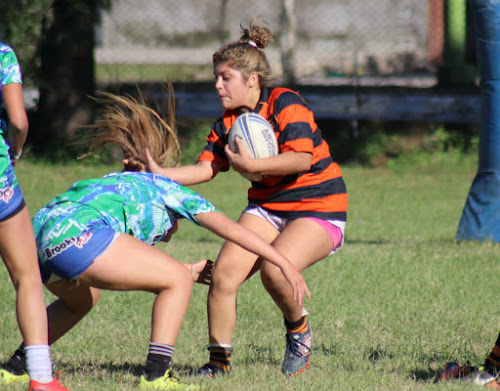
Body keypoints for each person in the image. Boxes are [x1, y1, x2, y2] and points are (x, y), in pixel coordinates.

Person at [1, 87, 310, 391]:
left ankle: (16, 367)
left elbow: (122, 261)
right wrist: (283, 262)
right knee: (175, 280)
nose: (168, 237)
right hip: (79, 234)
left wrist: (188, 267)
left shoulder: (119, 182)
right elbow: (234, 231)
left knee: (83, 299)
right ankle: (156, 376)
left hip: (37, 237)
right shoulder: (169, 190)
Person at [145, 19, 348, 378]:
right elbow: (206, 168)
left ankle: (298, 329)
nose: (217, 85)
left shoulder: (285, 102)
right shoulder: (226, 123)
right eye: (216, 77)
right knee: (224, 275)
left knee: (275, 269)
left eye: (226, 78)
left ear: (251, 80)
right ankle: (218, 365)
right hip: (268, 207)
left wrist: (253, 164)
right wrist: (158, 174)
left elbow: (302, 158)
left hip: (319, 205)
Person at [0, 41, 71, 391]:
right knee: (27, 277)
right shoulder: (2, 54)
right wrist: (16, 146)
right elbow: (18, 119)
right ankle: (41, 378)